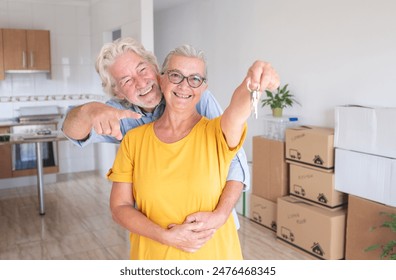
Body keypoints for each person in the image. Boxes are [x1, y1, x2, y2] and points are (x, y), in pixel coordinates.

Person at [107, 44, 280, 259]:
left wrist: (252, 84)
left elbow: (236, 111)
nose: (184, 86)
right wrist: (165, 236)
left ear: (203, 87)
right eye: (176, 75)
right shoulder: (133, 140)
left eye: (195, 79)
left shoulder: (217, 133)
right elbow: (119, 207)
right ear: (161, 79)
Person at [62, 37, 250, 231]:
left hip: (210, 225)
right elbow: (71, 130)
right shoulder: (118, 116)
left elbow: (234, 159)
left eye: (143, 70)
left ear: (156, 69)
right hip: (157, 231)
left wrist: (220, 215)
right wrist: (89, 111)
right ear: (118, 92)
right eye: (126, 80)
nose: (141, 83)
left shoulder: (193, 95)